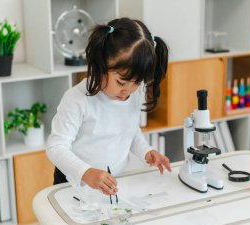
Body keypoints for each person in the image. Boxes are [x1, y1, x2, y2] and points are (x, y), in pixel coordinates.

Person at [46, 17, 171, 196]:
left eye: (136, 82)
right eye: (121, 82)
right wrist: (86, 173)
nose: (127, 91)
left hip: (112, 181)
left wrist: (146, 151)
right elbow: (56, 147)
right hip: (73, 182)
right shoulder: (77, 100)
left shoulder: (133, 93)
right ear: (100, 65)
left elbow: (130, 129)